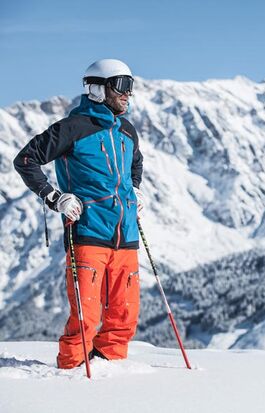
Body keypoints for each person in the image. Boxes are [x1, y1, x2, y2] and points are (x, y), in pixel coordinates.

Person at [13, 58, 145, 369]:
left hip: (126, 234)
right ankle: (71, 375)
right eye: (122, 85)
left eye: (131, 86)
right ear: (98, 89)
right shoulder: (72, 128)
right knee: (86, 315)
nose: (128, 93)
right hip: (88, 232)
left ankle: (107, 368)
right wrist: (55, 198)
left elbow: (135, 163)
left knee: (125, 316)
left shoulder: (127, 130)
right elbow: (26, 161)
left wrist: (135, 189)